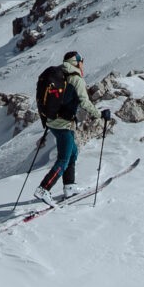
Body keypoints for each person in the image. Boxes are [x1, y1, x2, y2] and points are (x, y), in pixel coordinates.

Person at [34, 50, 101, 193]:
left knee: (72, 153)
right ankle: (43, 189)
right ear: (76, 62)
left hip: (52, 122)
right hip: (64, 124)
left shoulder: (59, 74)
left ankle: (69, 187)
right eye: (81, 62)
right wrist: (100, 114)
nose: (83, 65)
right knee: (63, 159)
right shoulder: (76, 79)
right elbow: (85, 103)